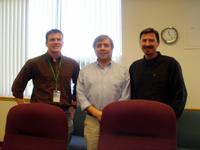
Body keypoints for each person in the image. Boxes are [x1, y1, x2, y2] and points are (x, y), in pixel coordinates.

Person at [11, 29, 80, 140]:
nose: (56, 42)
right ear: (46, 43)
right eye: (52, 39)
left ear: (63, 42)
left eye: (59, 39)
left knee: (63, 142)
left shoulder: (72, 64)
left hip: (64, 112)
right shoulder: (33, 63)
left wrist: (74, 106)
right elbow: (17, 86)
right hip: (40, 111)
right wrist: (22, 107)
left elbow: (79, 85)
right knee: (40, 142)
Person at [76, 35, 130, 150]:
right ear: (94, 49)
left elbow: (125, 96)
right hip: (92, 120)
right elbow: (80, 95)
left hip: (116, 120)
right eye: (98, 45)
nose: (102, 48)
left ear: (112, 48)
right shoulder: (85, 71)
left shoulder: (123, 71)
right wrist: (97, 113)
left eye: (106, 45)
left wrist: (109, 114)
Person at [129, 27, 187, 119]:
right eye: (144, 40)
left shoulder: (171, 64)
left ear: (158, 43)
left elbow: (180, 94)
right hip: (139, 118)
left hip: (164, 119)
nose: (147, 44)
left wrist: (172, 117)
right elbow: (131, 95)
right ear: (140, 43)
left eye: (151, 40)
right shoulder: (134, 67)